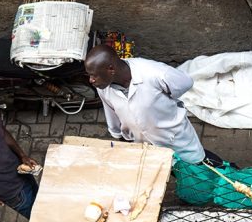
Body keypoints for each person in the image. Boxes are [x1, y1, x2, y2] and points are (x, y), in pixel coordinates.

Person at [84, 45, 225, 166]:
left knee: (199, 164)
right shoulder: (103, 87)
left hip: (174, 138)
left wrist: (168, 104)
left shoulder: (153, 73)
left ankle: (228, 172)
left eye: (94, 75)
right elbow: (111, 113)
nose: (91, 80)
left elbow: (185, 82)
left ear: (111, 69)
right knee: (171, 170)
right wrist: (119, 136)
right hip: (144, 145)